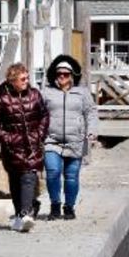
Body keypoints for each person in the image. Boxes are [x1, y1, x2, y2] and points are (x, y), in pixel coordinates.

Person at [0, 63, 49, 232]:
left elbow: (44, 116)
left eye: (27, 78)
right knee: (15, 183)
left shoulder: (35, 95)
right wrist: (7, 138)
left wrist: (39, 135)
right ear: (12, 80)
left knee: (28, 177)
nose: (26, 81)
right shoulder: (2, 99)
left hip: (32, 147)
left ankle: (26, 213)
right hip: (12, 149)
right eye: (23, 79)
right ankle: (21, 215)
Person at [41, 54, 98, 220]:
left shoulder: (82, 93)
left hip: (76, 141)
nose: (62, 76)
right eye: (59, 73)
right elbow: (37, 113)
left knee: (72, 176)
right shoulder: (46, 93)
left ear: (72, 75)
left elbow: (91, 112)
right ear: (54, 74)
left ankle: (69, 207)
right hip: (51, 140)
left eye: (66, 74)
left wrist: (92, 130)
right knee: (52, 171)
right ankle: (54, 204)